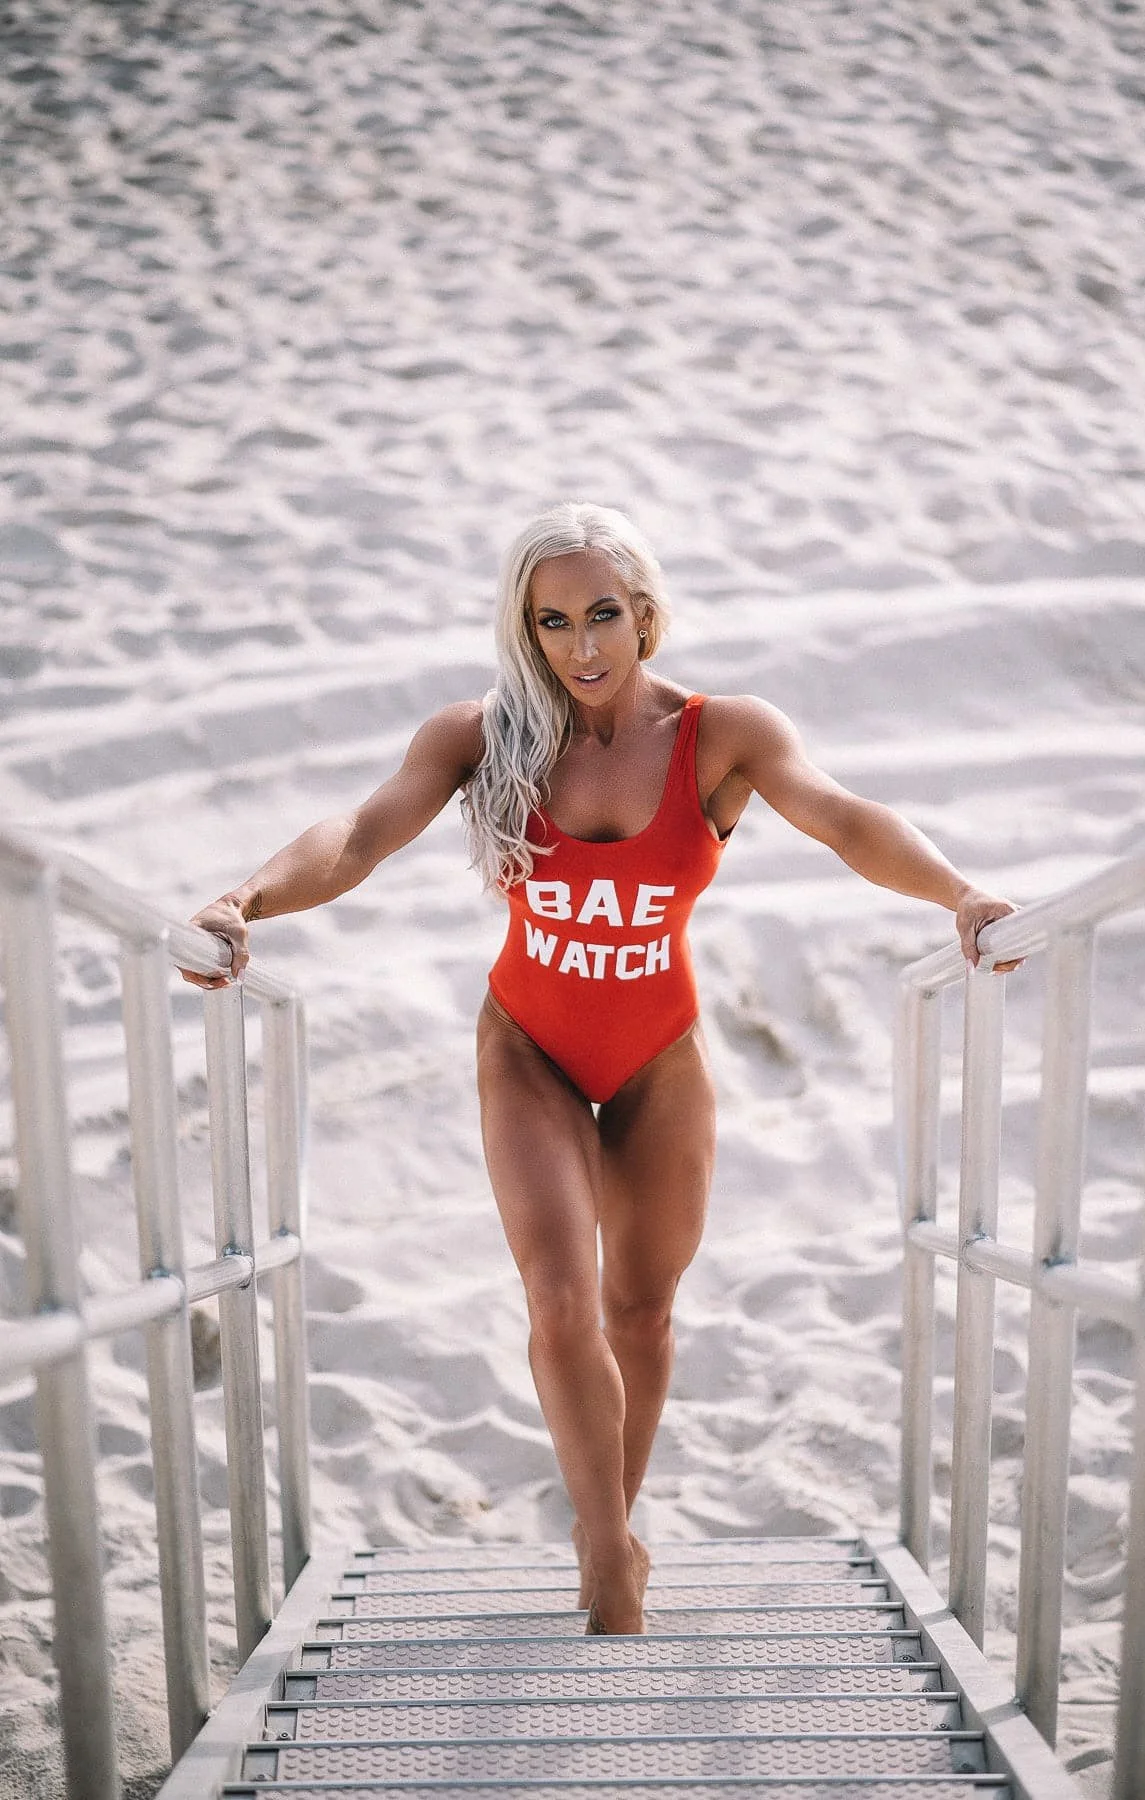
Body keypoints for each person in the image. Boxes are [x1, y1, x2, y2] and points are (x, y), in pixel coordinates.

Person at [183, 501, 1016, 1635]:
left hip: (657, 1055)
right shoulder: (484, 736)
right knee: (559, 1295)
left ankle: (605, 1520)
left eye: (603, 616)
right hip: (526, 1045)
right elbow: (361, 832)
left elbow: (841, 818)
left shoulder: (721, 734)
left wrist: (959, 896)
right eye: (553, 622)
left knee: (643, 1309)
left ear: (646, 615)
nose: (580, 647)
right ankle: (607, 1560)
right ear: (524, 630)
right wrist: (246, 900)